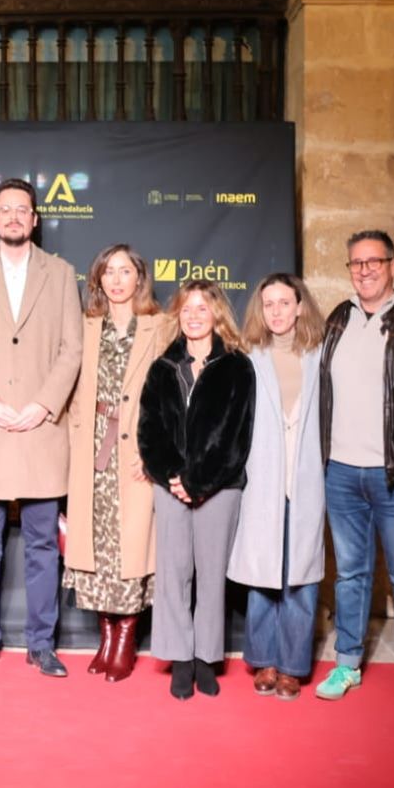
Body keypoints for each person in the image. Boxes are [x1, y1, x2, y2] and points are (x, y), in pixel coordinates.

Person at [0, 178, 83, 676]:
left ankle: (41, 643)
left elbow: (73, 348)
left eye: (21, 209)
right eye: (3, 209)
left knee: (43, 544)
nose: (12, 217)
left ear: (34, 219)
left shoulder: (62, 273)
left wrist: (44, 405)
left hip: (42, 429)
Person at [316, 229, 394, 718]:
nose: (365, 270)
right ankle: (347, 662)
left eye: (374, 261)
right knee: (350, 573)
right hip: (343, 473)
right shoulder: (338, 320)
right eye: (356, 263)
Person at [63, 245, 175, 683]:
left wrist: (155, 452)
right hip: (92, 452)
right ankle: (104, 638)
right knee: (98, 548)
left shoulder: (161, 327)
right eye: (108, 272)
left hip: (135, 454)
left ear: (139, 278)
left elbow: (170, 397)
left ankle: (125, 639)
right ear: (98, 280)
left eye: (124, 271)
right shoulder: (87, 327)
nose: (116, 280)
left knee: (130, 549)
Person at [138, 280, 255, 700]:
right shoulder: (163, 368)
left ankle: (207, 657)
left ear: (216, 314)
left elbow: (236, 438)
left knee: (210, 576)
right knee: (173, 574)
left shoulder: (238, 366)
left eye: (201, 309)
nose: (193, 316)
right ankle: (180, 659)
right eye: (186, 309)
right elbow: (148, 432)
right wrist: (173, 476)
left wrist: (199, 483)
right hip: (170, 487)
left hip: (219, 488)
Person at [229, 274, 327, 700]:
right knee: (263, 575)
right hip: (262, 476)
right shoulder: (248, 356)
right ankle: (264, 660)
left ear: (300, 306)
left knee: (301, 575)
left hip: (306, 477)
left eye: (284, 303)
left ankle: (292, 665)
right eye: (268, 304)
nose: (276, 311)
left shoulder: (320, 355)